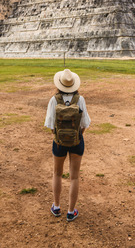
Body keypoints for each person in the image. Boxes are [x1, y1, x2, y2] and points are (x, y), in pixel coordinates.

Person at [44, 68, 91, 222]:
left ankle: (56, 207)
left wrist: (60, 136)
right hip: (77, 141)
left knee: (57, 173)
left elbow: (51, 125)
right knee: (74, 177)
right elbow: (85, 124)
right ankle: (71, 211)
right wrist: (76, 135)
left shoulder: (54, 100)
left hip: (59, 143)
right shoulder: (80, 99)